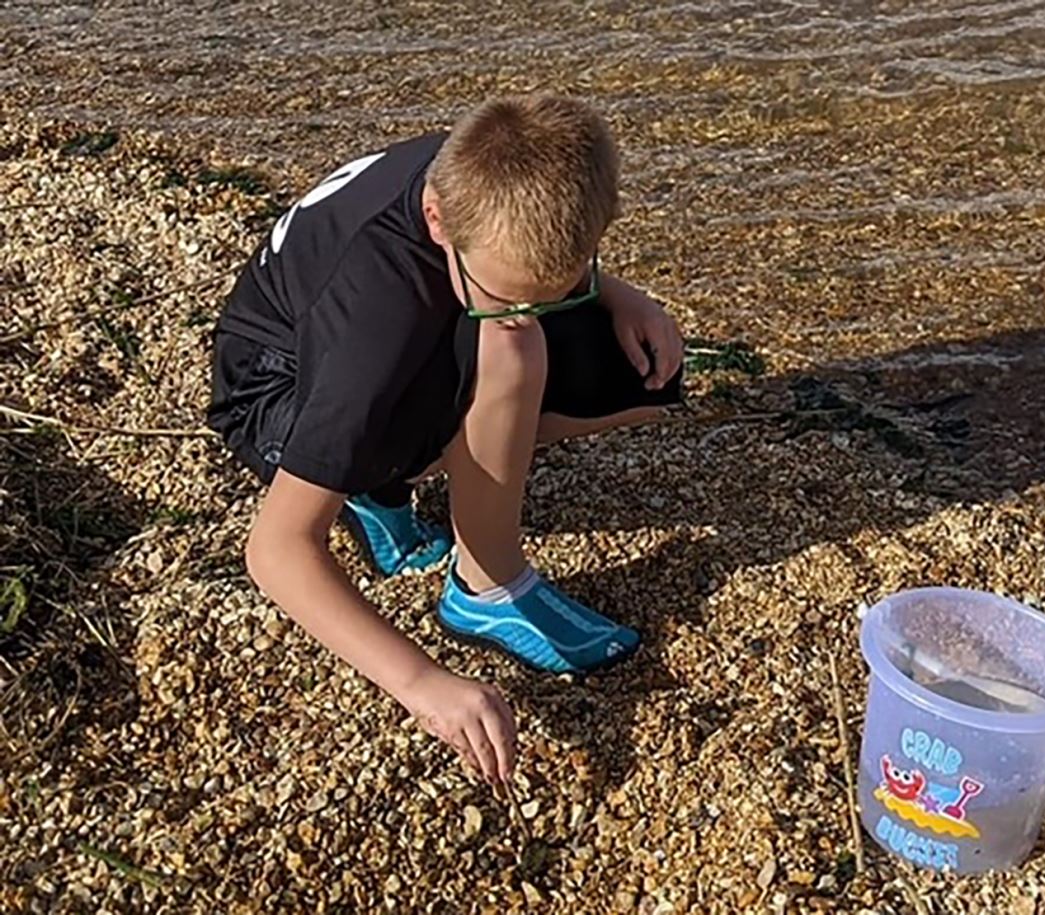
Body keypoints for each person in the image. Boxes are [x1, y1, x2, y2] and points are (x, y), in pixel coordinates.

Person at [205, 95, 685, 785]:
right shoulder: (377, 322)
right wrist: (425, 684)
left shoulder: (479, 169)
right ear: (437, 222)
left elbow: (532, 269)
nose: (532, 309)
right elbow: (274, 549)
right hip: (278, 394)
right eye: (511, 291)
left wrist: (615, 295)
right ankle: (483, 582)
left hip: (368, 342)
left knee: (644, 379)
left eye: (553, 289)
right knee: (513, 349)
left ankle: (389, 472)